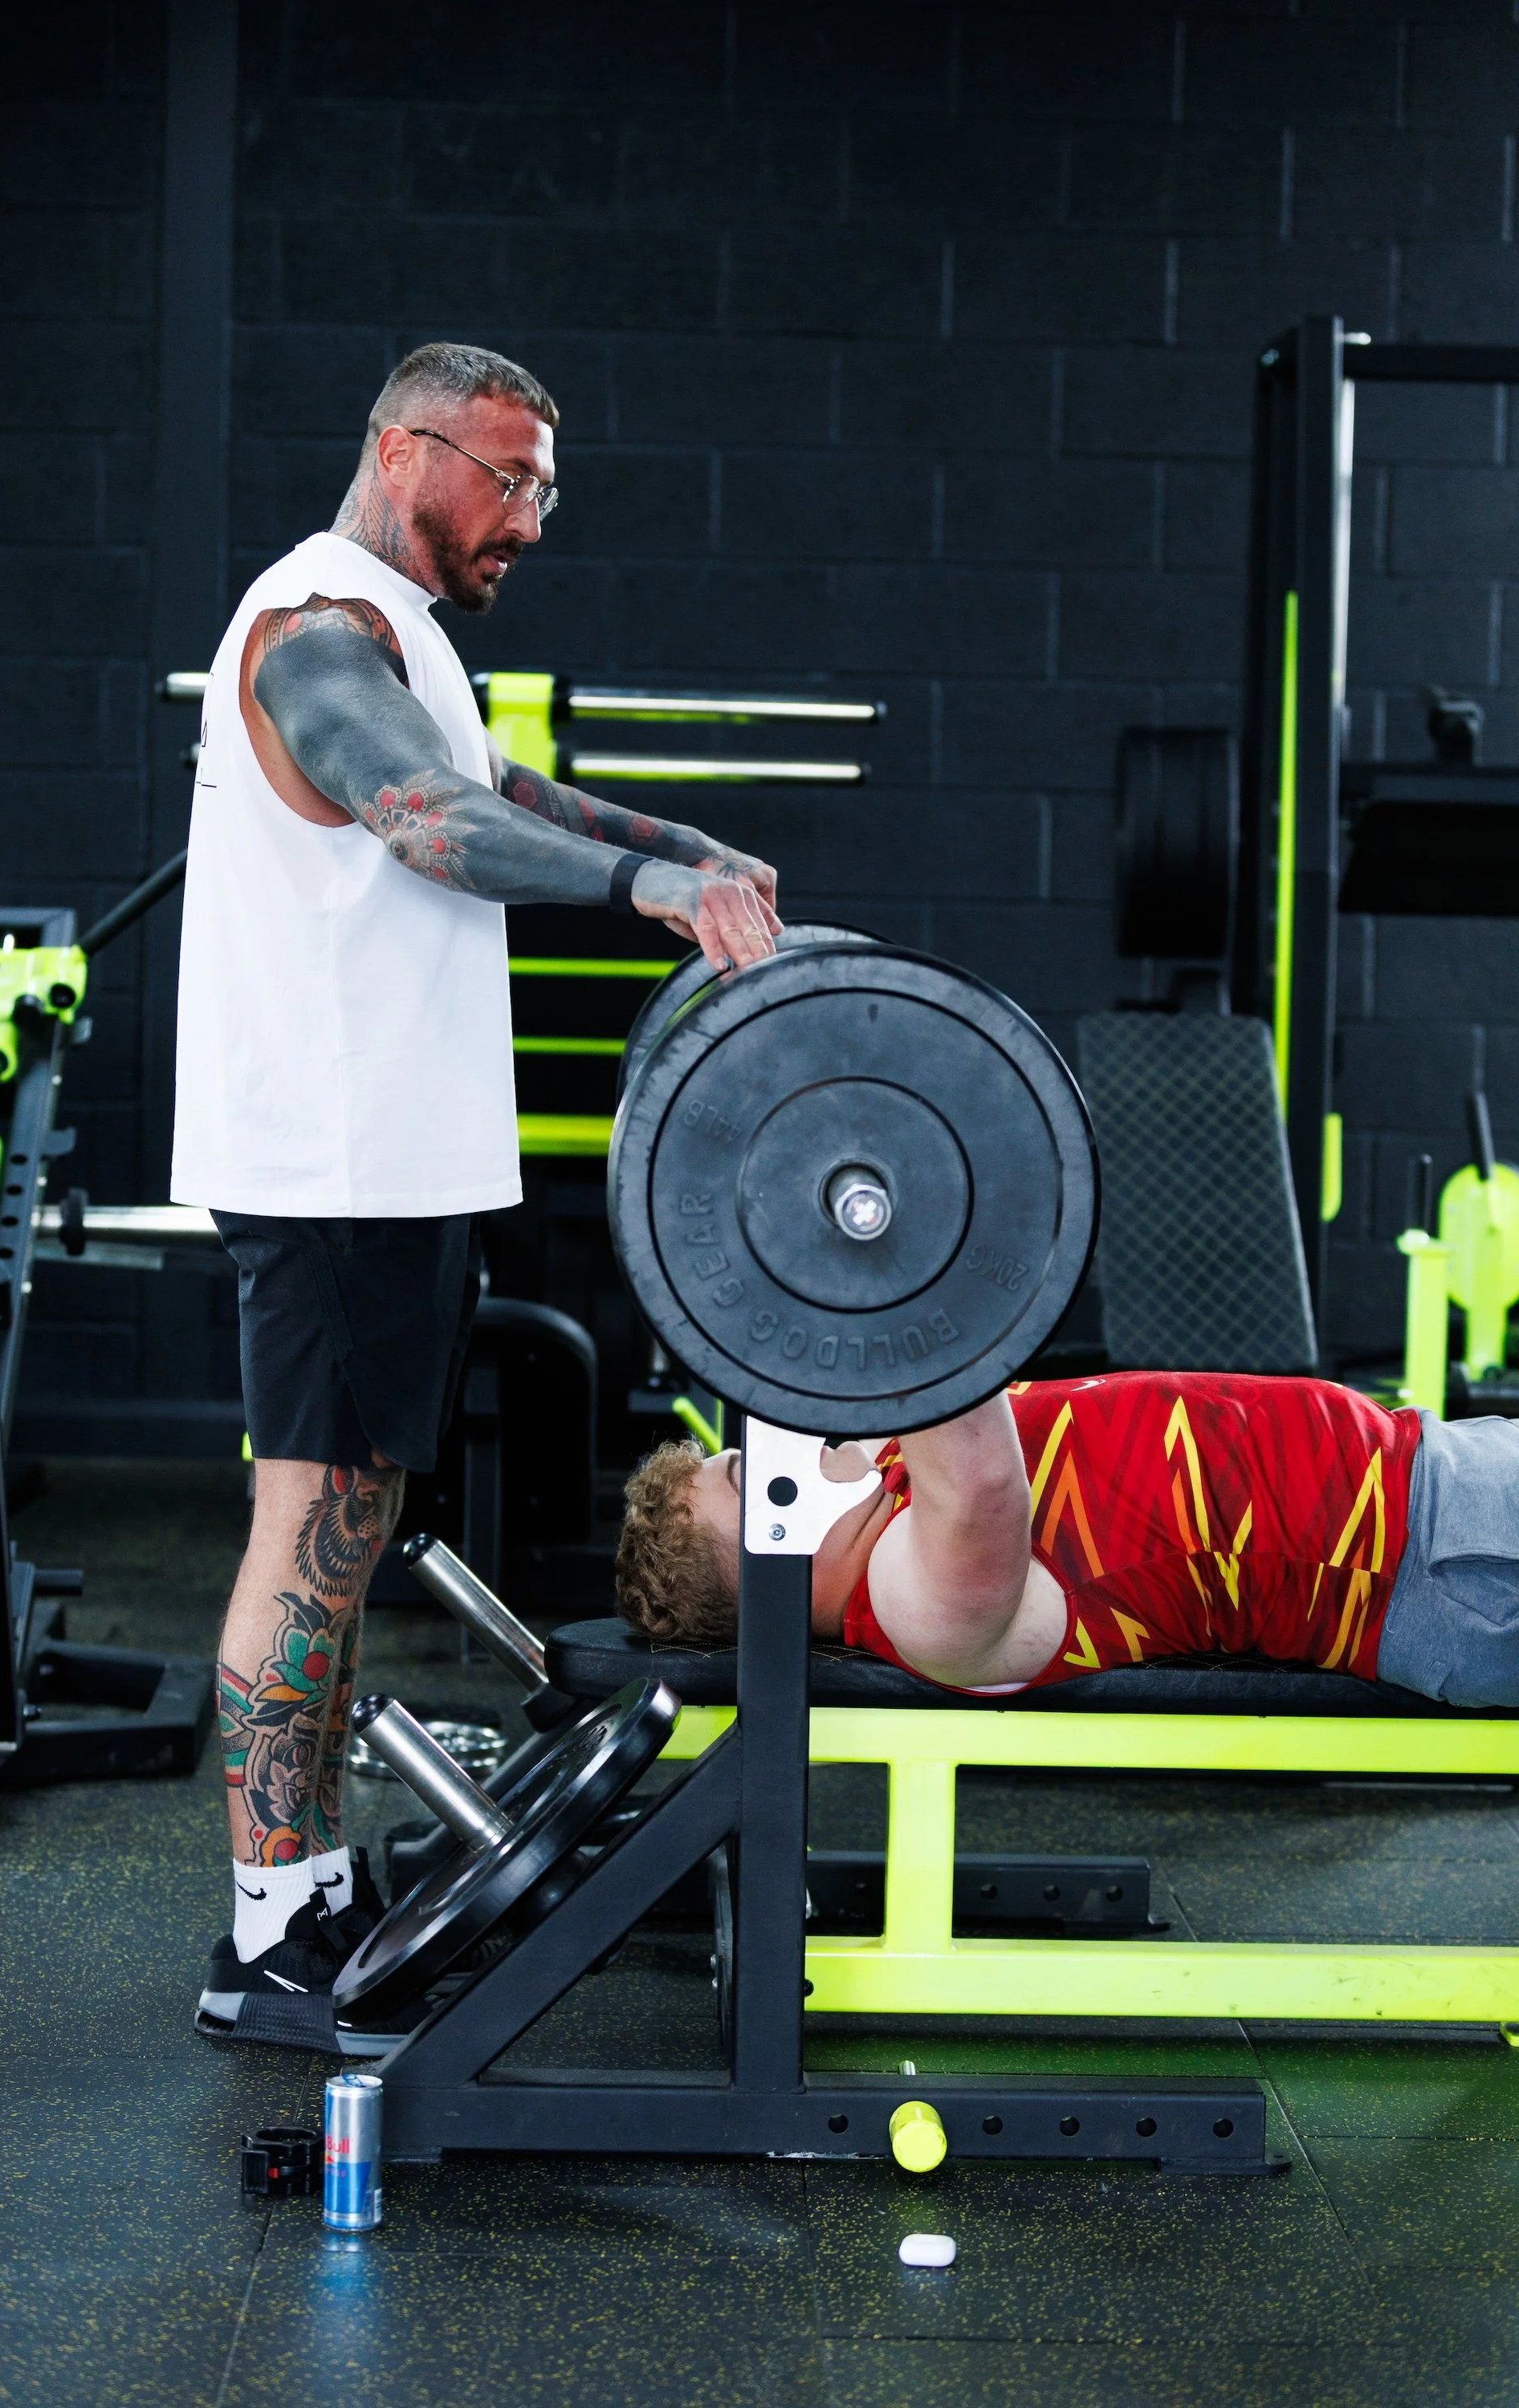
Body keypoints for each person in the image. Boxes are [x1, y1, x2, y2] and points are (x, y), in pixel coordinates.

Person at [175, 341, 780, 2043]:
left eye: (547, 492)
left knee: (344, 1533)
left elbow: (506, 785)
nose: (529, 518)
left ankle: (295, 1885)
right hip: (333, 1163)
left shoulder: (405, 634)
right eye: (505, 481)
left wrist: (687, 849)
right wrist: (642, 889)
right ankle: (264, 1944)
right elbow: (425, 813)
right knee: (307, 1531)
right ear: (403, 447)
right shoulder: (315, 631)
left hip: (386, 1163)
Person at [615, 1371, 1519, 1709]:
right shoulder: (909, 1602)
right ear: (767, 1571)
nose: (772, 1451)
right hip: (1440, 1563)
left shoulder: (885, 1480)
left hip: (1433, 1470)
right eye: (744, 1475)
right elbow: (979, 1479)